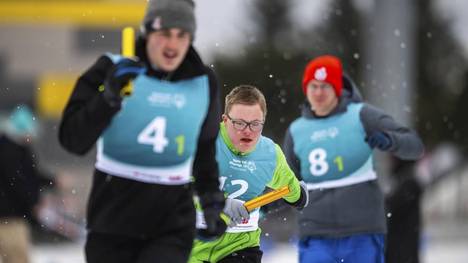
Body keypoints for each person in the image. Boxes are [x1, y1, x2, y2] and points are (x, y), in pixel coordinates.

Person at [58, 0, 226, 262]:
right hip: (112, 220)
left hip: (171, 222)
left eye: (182, 35)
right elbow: (71, 140)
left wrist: (212, 201)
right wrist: (108, 99)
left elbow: (205, 149)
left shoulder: (204, 83)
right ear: (148, 32)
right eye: (164, 34)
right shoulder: (110, 69)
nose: (172, 45)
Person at [283, 55, 424, 263]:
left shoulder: (362, 115)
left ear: (338, 89)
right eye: (314, 86)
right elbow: (288, 183)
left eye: (326, 86)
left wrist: (389, 141)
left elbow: (414, 146)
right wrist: (260, 206)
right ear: (306, 89)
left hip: (362, 233)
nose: (319, 93)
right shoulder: (296, 130)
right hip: (316, 236)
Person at [189, 85, 309, 263]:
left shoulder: (270, 154)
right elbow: (176, 187)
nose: (247, 130)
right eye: (239, 123)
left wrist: (300, 196)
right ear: (224, 120)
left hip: (240, 247)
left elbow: (292, 190)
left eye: (255, 124)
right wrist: (219, 203)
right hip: (192, 242)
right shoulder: (203, 141)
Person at [0, 105, 44, 263]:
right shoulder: (11, 151)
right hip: (10, 218)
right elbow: (18, 181)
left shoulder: (10, 147)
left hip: (11, 216)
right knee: (16, 258)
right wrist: (33, 202)